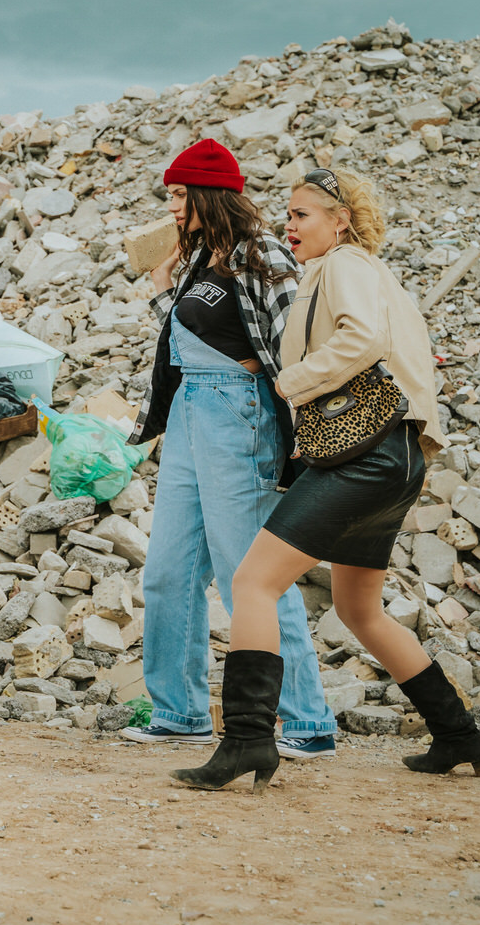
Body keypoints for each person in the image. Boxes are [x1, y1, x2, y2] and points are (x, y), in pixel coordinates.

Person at [173, 166, 480, 793]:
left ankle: (247, 740)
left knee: (253, 582)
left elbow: (362, 339)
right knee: (358, 609)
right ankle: (457, 733)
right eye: (287, 214)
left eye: (301, 214)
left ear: (340, 220)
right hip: (398, 455)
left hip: (364, 454)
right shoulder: (364, 271)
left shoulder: (345, 264)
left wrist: (287, 383)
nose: (288, 225)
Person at [125, 139, 338, 759]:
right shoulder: (201, 256)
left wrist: (297, 425)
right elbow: (190, 336)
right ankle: (180, 712)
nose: (171, 207)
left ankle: (308, 721)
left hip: (238, 414)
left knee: (252, 575)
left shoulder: (261, 251)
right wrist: (163, 282)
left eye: (179, 194)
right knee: (168, 572)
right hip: (190, 412)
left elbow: (295, 340)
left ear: (209, 194)